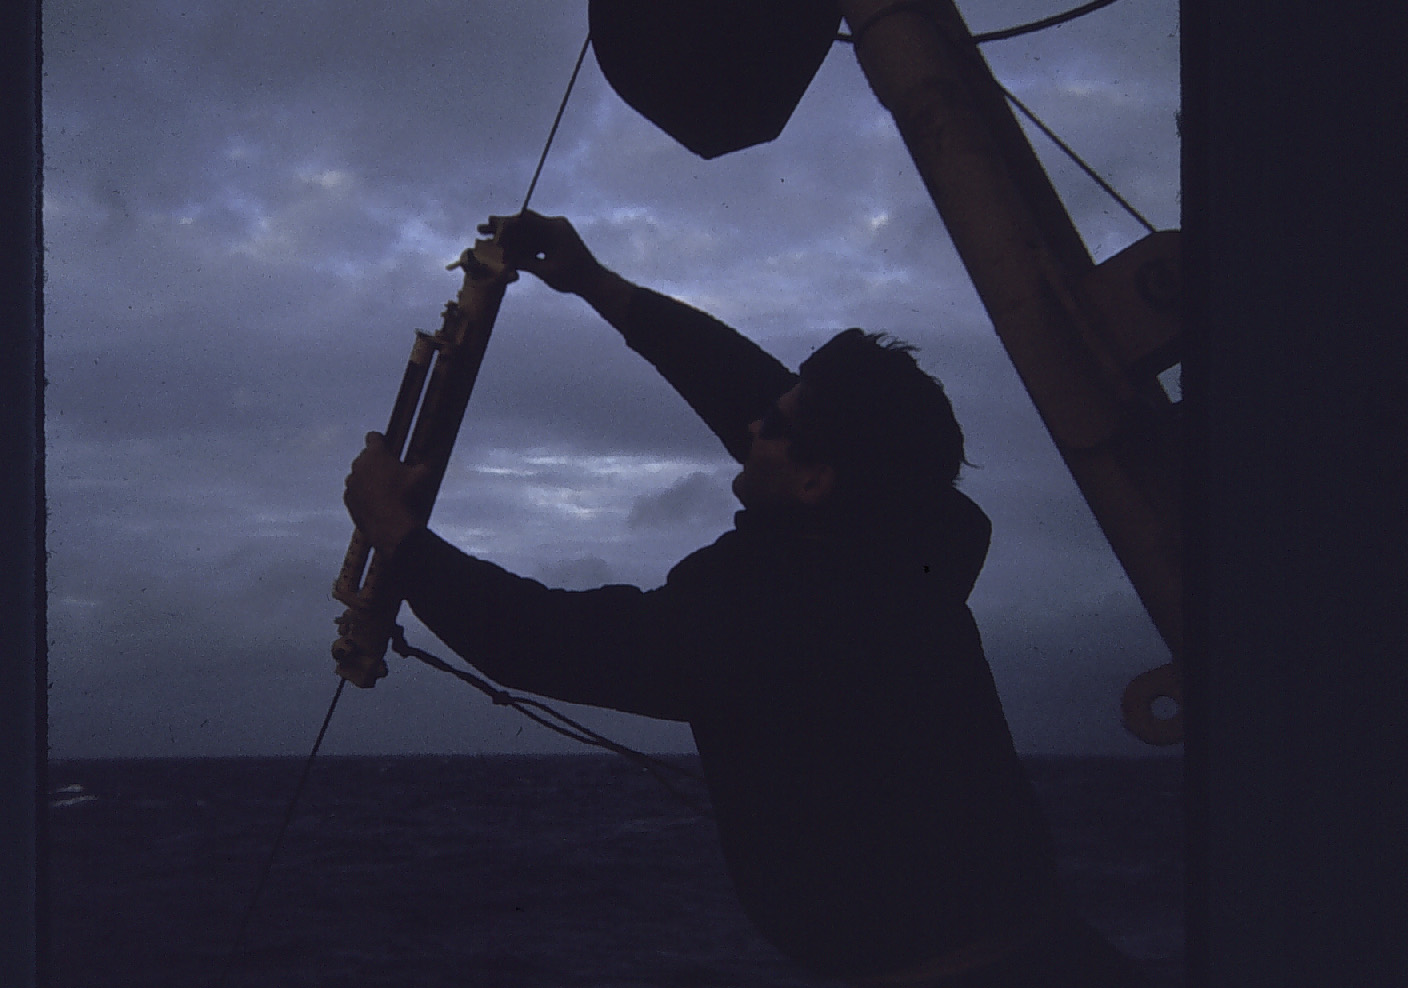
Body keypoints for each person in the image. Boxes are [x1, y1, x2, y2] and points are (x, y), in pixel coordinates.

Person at [343, 210, 1146, 987]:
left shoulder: (770, 614)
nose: (752, 422)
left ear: (812, 480)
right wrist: (592, 281)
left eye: (775, 424)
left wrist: (392, 530)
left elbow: (541, 639)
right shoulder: (923, 534)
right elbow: (744, 387)